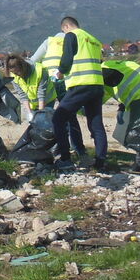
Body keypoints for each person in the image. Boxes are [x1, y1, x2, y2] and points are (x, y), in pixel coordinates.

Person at [50, 17, 108, 172]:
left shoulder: (72, 35)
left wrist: (60, 72)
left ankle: (65, 159)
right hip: (97, 85)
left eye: (63, 31)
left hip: (80, 83)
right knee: (96, 124)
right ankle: (101, 161)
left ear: (66, 27)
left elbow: (67, 58)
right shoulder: (94, 40)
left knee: (58, 119)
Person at [32, 32, 86, 157]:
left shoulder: (49, 42)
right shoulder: (75, 41)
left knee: (46, 117)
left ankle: (46, 147)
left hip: (49, 82)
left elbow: (34, 60)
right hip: (66, 82)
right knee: (71, 117)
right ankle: (78, 149)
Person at [102, 58, 140, 170]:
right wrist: (122, 106)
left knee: (135, 135)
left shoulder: (101, 73)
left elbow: (98, 100)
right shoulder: (120, 63)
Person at [5, 54, 53, 123]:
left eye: (18, 71)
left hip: (47, 100)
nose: (17, 75)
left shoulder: (40, 71)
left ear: (23, 66)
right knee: (33, 123)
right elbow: (23, 95)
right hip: (33, 103)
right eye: (14, 73)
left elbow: (41, 95)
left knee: (45, 121)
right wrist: (29, 112)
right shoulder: (13, 76)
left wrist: (39, 115)